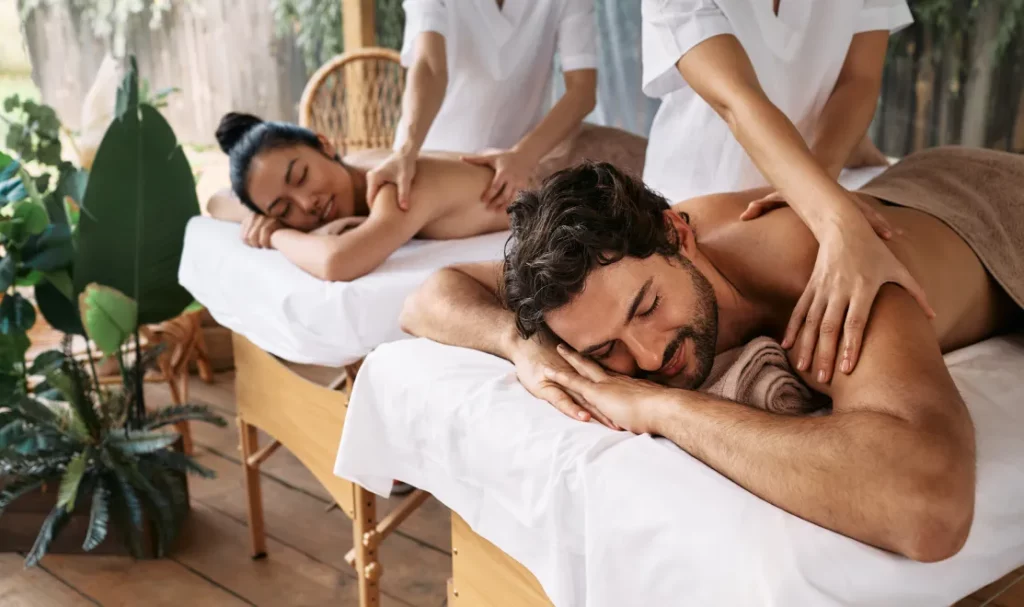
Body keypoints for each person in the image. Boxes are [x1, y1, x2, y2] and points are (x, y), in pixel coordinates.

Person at [400, 147, 1024, 562]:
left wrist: (663, 409)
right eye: (605, 350)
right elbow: (430, 295)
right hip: (910, 182)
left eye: (645, 308)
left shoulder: (818, 266)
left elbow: (929, 507)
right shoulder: (597, 276)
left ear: (679, 233)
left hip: (995, 200)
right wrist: (521, 343)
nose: (646, 358)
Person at [639, 0, 931, 385]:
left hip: (805, 192)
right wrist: (834, 218)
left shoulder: (810, 204)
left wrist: (817, 188)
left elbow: (858, 79)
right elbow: (736, 100)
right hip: (697, 206)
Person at [205, 112, 509, 282]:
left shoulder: (395, 185)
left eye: (300, 177)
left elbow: (337, 262)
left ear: (324, 145)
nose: (306, 203)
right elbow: (217, 200)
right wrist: (256, 217)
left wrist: (275, 232)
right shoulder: (356, 165)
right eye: (283, 208)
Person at [369, 0, 604, 212]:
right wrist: (407, 151)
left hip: (509, 176)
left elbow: (582, 90)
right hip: (424, 163)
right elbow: (430, 66)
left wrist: (523, 156)